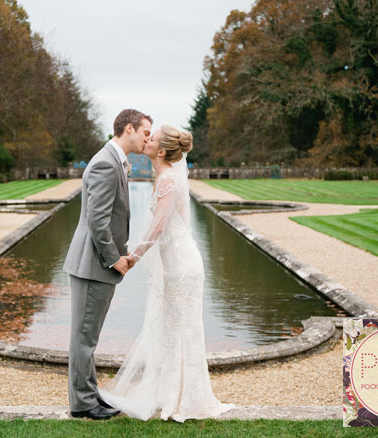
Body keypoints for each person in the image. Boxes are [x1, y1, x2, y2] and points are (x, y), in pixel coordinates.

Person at [98, 125, 235, 422]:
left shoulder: (169, 179)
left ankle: (183, 399)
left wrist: (133, 256)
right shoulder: (165, 176)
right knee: (175, 329)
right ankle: (175, 394)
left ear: (160, 151)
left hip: (182, 266)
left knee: (183, 329)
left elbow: (159, 227)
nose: (146, 139)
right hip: (178, 261)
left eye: (152, 138)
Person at [63, 108, 152, 420]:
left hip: (95, 263)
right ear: (128, 129)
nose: (148, 139)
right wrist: (115, 259)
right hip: (93, 263)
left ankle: (89, 395)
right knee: (83, 337)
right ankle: (82, 405)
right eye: (145, 133)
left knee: (88, 336)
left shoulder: (113, 161)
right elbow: (98, 222)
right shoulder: (104, 163)